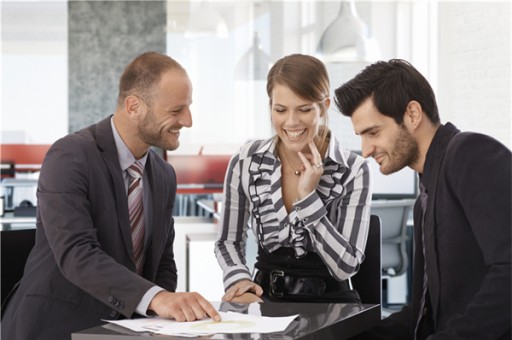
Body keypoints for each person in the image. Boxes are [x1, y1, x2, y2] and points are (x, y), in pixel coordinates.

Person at [1, 52, 220, 340]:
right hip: (56, 326)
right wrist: (157, 299)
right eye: (176, 110)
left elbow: (162, 262)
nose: (188, 121)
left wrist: (161, 314)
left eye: (188, 108)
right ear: (134, 106)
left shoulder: (163, 174)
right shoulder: (70, 156)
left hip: (126, 329)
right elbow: (77, 252)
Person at [334, 59, 511, 339]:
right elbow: (422, 314)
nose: (365, 150)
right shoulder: (425, 196)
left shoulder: (471, 154)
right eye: (361, 136)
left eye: (373, 132)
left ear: (412, 114)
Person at [215, 54, 372, 304]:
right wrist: (239, 281)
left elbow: (346, 266)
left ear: (324, 106)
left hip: (330, 304)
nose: (291, 122)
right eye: (280, 110)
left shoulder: (353, 169)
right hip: (262, 299)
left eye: (304, 109)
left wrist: (308, 199)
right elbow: (228, 241)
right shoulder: (246, 161)